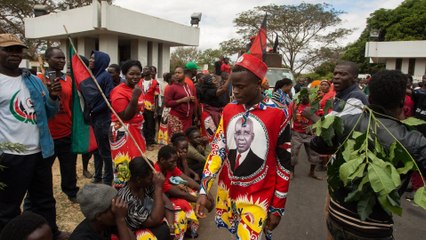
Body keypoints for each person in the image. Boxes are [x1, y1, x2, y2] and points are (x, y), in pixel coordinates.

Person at [311, 70, 426, 240]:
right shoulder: (413, 140)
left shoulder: (347, 122)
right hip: (373, 230)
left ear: (369, 98)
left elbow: (318, 144)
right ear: (403, 101)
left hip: (337, 218)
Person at [196, 53, 292, 240]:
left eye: (240, 87)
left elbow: (284, 164)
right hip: (230, 192)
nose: (235, 92)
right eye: (233, 86)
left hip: (259, 197)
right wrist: (203, 189)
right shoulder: (230, 109)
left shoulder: (279, 114)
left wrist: (278, 206)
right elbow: (218, 149)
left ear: (258, 83)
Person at [0, 33, 69, 239]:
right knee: (8, 206)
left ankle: (51, 233)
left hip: (40, 151)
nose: (15, 54)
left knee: (44, 200)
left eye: (18, 50)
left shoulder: (31, 79)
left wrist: (53, 97)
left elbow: (49, 113)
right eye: (8, 49)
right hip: (11, 155)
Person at [39, 47, 79, 203]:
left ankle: (71, 191)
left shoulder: (68, 80)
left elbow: (72, 104)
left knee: (69, 166)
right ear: (48, 60)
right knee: (43, 170)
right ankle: (43, 195)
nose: (62, 61)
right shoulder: (40, 79)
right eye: (58, 58)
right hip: (47, 134)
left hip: (66, 131)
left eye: (63, 58)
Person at [155, 145, 211, 239]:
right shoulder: (157, 173)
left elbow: (187, 179)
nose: (175, 164)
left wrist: (204, 192)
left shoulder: (170, 166)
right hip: (161, 201)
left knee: (192, 194)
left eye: (176, 161)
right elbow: (178, 193)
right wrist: (202, 201)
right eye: (172, 162)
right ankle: (184, 231)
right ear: (162, 160)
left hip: (168, 197)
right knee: (185, 203)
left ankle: (187, 229)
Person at [109, 60, 146, 188]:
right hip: (123, 132)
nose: (135, 77)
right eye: (131, 74)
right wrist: (135, 97)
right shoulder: (118, 91)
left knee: (137, 163)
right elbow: (125, 116)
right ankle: (123, 194)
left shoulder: (136, 88)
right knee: (124, 165)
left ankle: (135, 191)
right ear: (124, 74)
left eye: (138, 74)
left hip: (136, 130)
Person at [116, 157, 172, 240]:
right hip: (134, 233)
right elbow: (154, 220)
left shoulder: (144, 184)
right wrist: (158, 188)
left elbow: (167, 203)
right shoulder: (127, 198)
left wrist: (171, 225)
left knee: (175, 218)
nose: (153, 179)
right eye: (150, 177)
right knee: (163, 231)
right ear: (139, 179)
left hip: (152, 220)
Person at [80, 50, 114, 185]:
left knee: (105, 151)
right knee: (96, 150)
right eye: (90, 57)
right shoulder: (92, 75)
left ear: (101, 61)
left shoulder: (105, 76)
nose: (91, 60)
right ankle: (98, 175)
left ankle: (107, 179)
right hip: (93, 118)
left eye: (94, 58)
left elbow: (108, 98)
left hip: (102, 119)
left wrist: (94, 110)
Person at [69, 184, 134, 240]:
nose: (118, 209)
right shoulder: (81, 237)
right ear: (99, 216)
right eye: (113, 208)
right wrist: (120, 219)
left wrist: (121, 219)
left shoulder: (105, 224)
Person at [288, 88, 322, 180]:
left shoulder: (314, 105)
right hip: (297, 133)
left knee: (314, 153)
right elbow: (289, 117)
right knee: (293, 153)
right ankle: (292, 172)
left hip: (310, 133)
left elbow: (318, 118)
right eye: (302, 95)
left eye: (306, 95)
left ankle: (312, 172)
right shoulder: (294, 104)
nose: (304, 97)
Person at [164, 67, 196, 135]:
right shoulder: (171, 87)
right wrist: (182, 100)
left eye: (179, 73)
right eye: (175, 73)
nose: (177, 75)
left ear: (184, 74)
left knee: (185, 140)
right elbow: (167, 103)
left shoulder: (188, 86)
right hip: (177, 118)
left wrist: (192, 99)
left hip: (187, 119)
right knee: (177, 140)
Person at [141, 66, 159, 151]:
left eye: (147, 69)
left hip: (150, 108)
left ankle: (149, 142)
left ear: (150, 72)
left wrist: (155, 110)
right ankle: (145, 142)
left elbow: (156, 97)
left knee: (150, 125)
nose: (145, 71)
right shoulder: (139, 82)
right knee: (143, 125)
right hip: (141, 107)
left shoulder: (155, 83)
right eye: (144, 70)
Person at [157, 72, 172, 145]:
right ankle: (166, 140)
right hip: (167, 105)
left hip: (164, 104)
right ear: (170, 79)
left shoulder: (164, 84)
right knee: (166, 122)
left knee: (164, 122)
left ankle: (162, 139)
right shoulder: (168, 86)